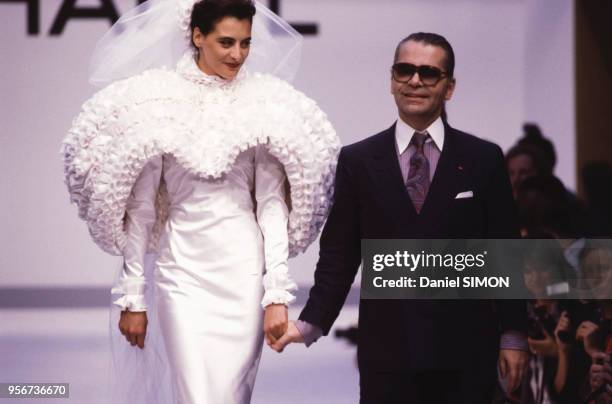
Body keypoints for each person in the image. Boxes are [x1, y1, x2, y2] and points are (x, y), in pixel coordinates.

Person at [61, 0, 339, 403]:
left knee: (230, 395)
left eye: (245, 43)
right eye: (226, 42)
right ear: (197, 36)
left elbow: (271, 204)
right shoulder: (157, 103)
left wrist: (276, 294)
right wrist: (133, 297)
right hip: (181, 274)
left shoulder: (263, 103)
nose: (237, 54)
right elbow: (140, 211)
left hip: (243, 272)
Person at [272, 32, 528, 403]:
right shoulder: (358, 160)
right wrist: (311, 322)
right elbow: (340, 254)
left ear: (449, 87)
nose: (414, 81)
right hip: (387, 352)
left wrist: (514, 335)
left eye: (428, 73)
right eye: (404, 70)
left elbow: (506, 252)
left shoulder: (483, 159)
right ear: (392, 80)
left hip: (466, 349)